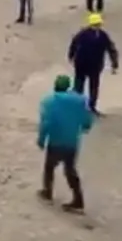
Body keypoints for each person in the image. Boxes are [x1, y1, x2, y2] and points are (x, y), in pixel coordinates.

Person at [37, 75, 92, 214]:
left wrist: (42, 139)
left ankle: (47, 191)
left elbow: (46, 123)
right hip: (71, 142)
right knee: (70, 170)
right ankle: (78, 199)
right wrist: (85, 127)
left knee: (49, 167)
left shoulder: (49, 102)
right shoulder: (80, 101)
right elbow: (87, 119)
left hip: (56, 141)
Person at [67, 12, 118, 115]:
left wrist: (114, 63)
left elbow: (111, 48)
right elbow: (73, 44)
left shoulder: (102, 35)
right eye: (95, 25)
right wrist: (71, 56)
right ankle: (78, 106)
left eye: (98, 24)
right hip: (82, 64)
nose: (97, 26)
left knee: (93, 86)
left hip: (94, 65)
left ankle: (91, 106)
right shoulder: (84, 34)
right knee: (79, 85)